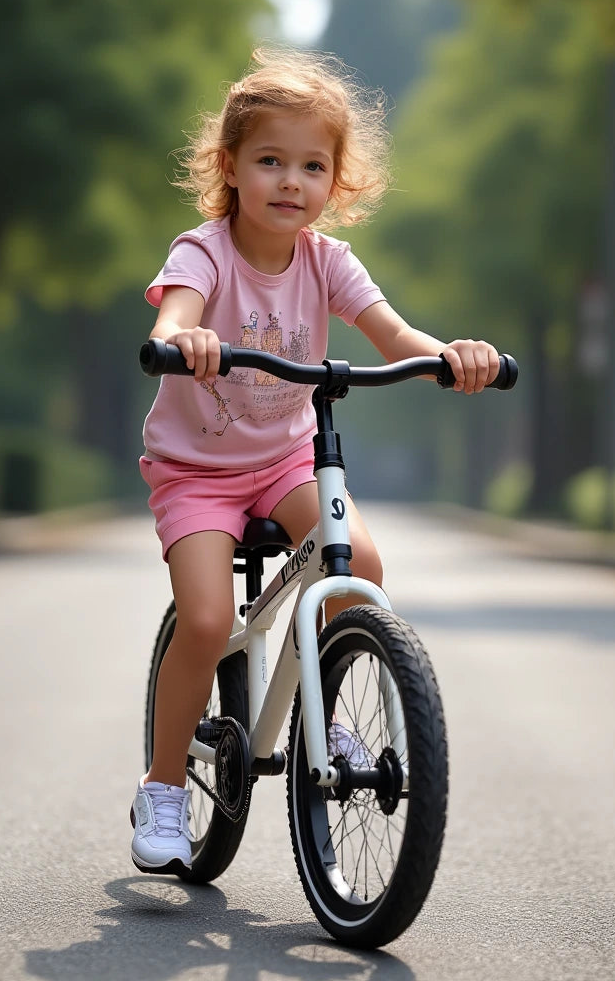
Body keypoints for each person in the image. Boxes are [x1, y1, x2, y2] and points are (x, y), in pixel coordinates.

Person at [132, 46, 500, 874]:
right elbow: (177, 312)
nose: (290, 182)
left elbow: (396, 336)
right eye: (270, 161)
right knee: (204, 620)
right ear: (230, 168)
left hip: (287, 457)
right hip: (196, 470)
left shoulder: (328, 262)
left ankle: (322, 704)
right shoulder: (205, 251)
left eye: (311, 165)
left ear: (337, 180)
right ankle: (160, 784)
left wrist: (454, 355)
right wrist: (180, 338)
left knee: (358, 563)